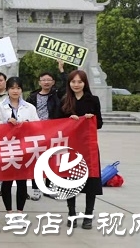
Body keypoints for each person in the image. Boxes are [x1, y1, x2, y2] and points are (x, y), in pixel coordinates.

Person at [60, 69, 103, 230]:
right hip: (70, 148)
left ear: (85, 83)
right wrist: (68, 120)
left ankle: (88, 216)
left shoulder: (93, 100)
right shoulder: (64, 100)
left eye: (80, 82)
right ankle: (71, 214)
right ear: (69, 83)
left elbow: (99, 124)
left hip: (88, 147)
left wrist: (91, 118)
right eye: (73, 82)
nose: (76, 85)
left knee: (90, 180)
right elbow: (56, 121)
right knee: (70, 182)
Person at [0, 77, 39, 215]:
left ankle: (19, 210)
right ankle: (9, 210)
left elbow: (37, 125)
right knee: (6, 181)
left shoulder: (29, 107)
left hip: (24, 148)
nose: (15, 91)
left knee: (21, 181)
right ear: (7, 89)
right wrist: (6, 122)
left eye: (18, 88)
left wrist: (28, 124)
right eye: (12, 88)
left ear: (21, 90)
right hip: (6, 148)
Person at [25, 59, 66, 200]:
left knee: (51, 160)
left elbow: (67, 87)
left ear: (53, 82)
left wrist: (61, 70)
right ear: (39, 82)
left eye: (49, 80)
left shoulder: (56, 95)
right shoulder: (32, 97)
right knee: (36, 161)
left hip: (51, 132)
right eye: (44, 80)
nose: (46, 82)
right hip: (35, 132)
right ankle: (36, 189)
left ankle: (48, 188)